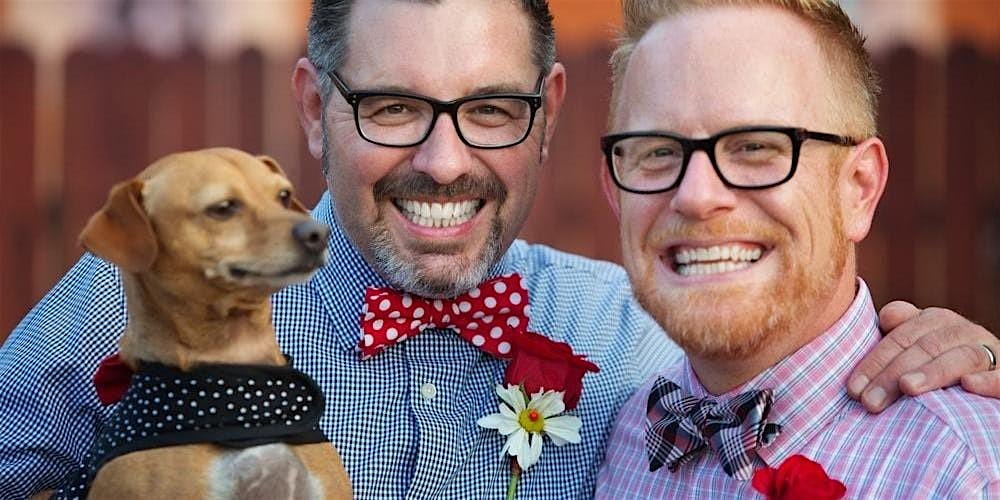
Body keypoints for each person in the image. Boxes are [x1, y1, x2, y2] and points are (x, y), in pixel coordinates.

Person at [0, 1, 995, 498]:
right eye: (393, 106)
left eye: (488, 110)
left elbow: (787, 353)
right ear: (312, 106)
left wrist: (962, 356)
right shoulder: (152, 291)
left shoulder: (640, 341)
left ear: (548, 114)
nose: (443, 162)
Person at [596, 0, 1000, 497]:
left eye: (755, 146)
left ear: (859, 188)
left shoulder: (966, 471)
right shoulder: (622, 438)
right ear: (615, 193)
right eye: (658, 151)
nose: (697, 196)